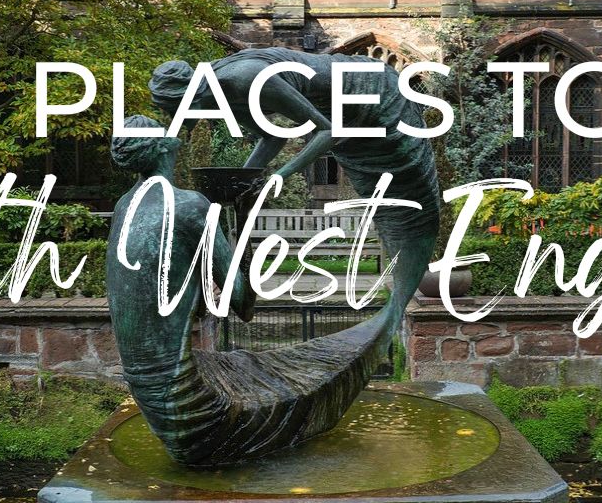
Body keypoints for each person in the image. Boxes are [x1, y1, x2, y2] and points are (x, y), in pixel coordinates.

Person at [105, 114, 390, 466]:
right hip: (192, 410)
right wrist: (243, 218)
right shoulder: (189, 206)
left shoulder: (124, 206)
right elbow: (243, 302)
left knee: (248, 365)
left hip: (153, 402)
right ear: (166, 148)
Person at [149, 47, 440, 331]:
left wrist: (280, 175)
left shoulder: (246, 78)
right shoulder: (225, 95)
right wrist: (245, 178)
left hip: (373, 92)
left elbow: (327, 131)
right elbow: (271, 135)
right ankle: (387, 322)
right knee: (388, 210)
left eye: (177, 111)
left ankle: (392, 315)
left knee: (407, 203)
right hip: (344, 113)